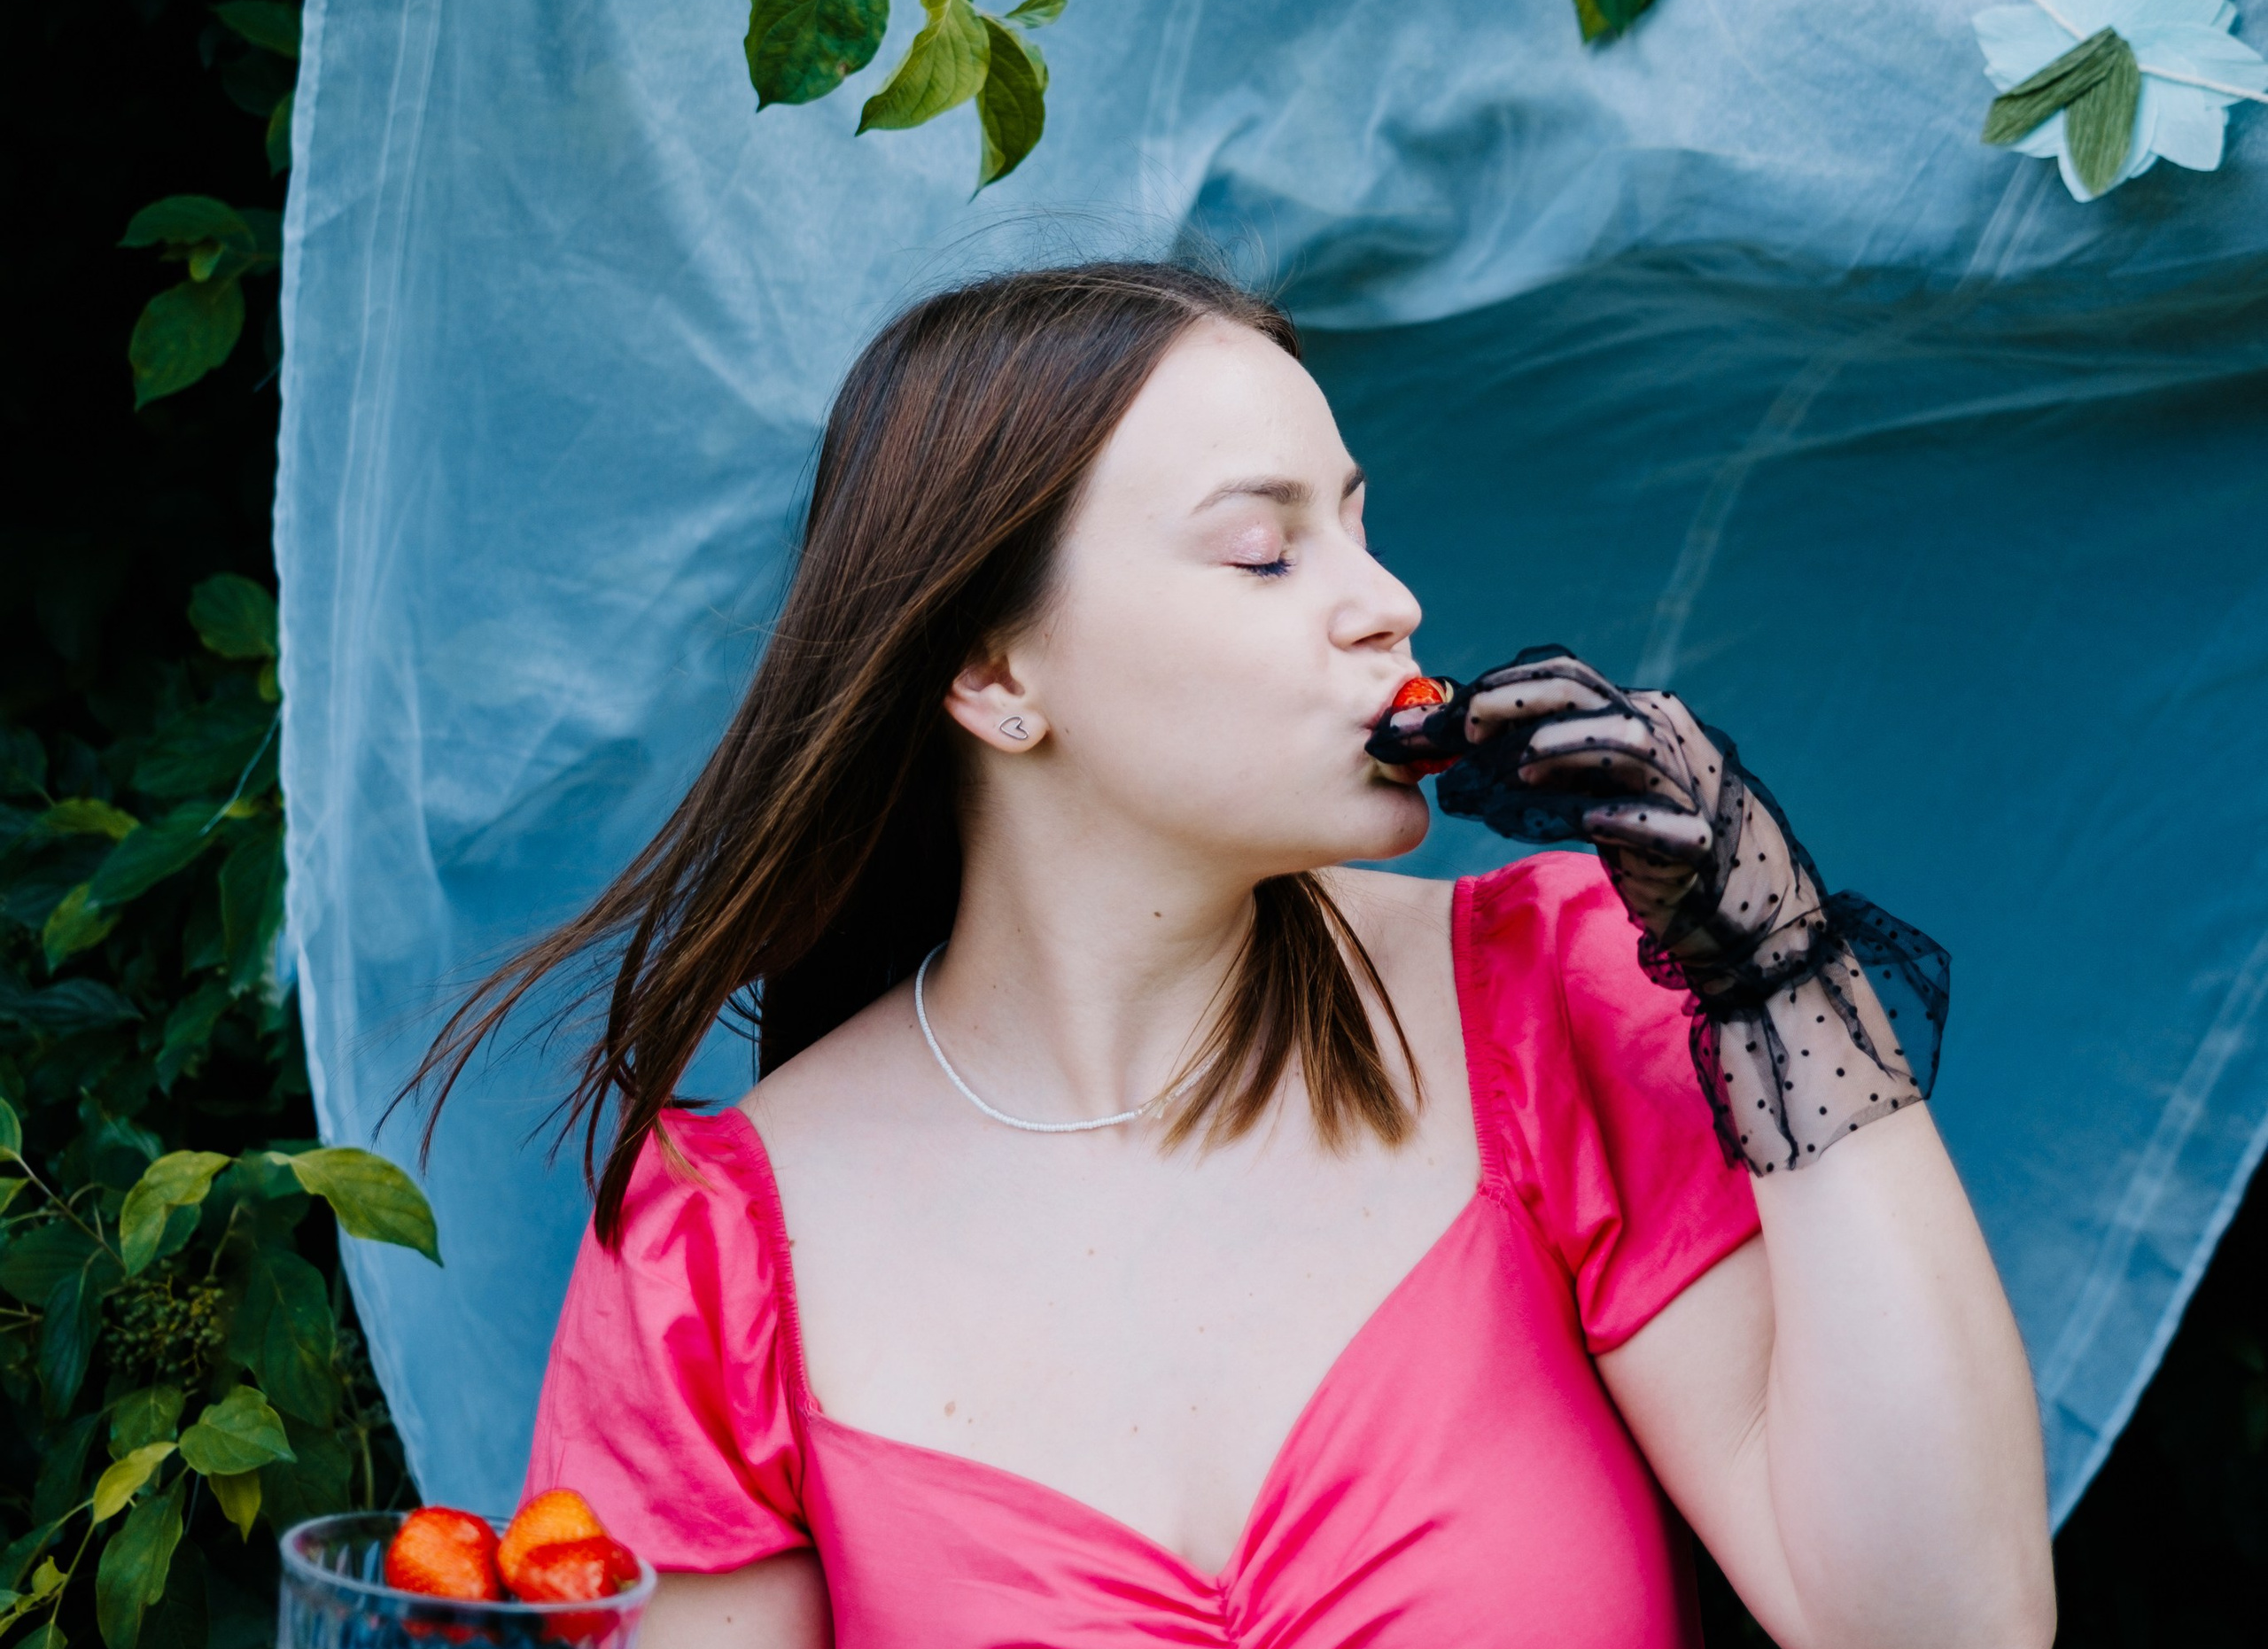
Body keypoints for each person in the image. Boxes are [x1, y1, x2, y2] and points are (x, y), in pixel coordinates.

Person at [421, 260, 2054, 1649]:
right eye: (1266, 552)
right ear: (994, 675)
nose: (1389, 603)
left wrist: (1776, 971)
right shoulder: (713, 1248)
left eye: (1358, 525)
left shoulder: (1551, 998)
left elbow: (1948, 1631)